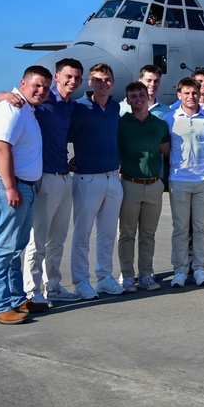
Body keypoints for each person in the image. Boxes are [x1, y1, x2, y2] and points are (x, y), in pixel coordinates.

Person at [0, 58, 84, 304]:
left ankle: (53, 286)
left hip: (65, 177)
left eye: (77, 78)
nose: (72, 81)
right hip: (45, 179)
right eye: (68, 76)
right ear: (57, 77)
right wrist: (2, 95)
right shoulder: (42, 101)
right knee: (38, 240)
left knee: (58, 240)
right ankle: (32, 291)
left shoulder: (70, 106)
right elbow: (4, 100)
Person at [0, 65, 52, 324]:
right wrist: (10, 187)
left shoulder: (26, 109)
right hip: (5, 185)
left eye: (45, 87)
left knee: (15, 247)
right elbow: (1, 148)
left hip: (22, 186)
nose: (41, 91)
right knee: (2, 246)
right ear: (23, 83)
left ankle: (16, 300)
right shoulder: (11, 109)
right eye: (36, 85)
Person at [68, 63, 125, 299]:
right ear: (90, 83)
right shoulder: (78, 108)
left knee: (108, 233)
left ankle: (104, 277)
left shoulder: (115, 108)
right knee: (82, 233)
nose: (104, 83)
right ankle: (81, 280)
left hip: (113, 177)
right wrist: (68, 161)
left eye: (108, 79)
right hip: (87, 179)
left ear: (113, 82)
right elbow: (63, 136)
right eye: (99, 80)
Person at [164, 77, 204, 287]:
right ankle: (180, 270)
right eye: (186, 93)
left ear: (200, 94)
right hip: (179, 180)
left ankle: (199, 269)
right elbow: (166, 149)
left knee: (201, 228)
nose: (191, 96)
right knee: (180, 228)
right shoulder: (170, 118)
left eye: (194, 93)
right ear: (179, 95)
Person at [116, 81, 170, 292]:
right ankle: (128, 276)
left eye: (141, 95)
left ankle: (146, 275)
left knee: (148, 234)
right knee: (127, 234)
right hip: (130, 184)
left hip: (154, 184)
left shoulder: (159, 124)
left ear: (148, 97)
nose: (138, 99)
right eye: (133, 96)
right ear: (127, 100)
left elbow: (166, 150)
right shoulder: (121, 123)